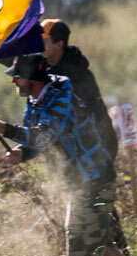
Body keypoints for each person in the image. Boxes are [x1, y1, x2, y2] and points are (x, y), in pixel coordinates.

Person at [0, 53, 137, 256]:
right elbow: (38, 141)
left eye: (17, 75)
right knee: (103, 245)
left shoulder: (61, 97)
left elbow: (46, 132)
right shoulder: (34, 100)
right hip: (81, 180)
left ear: (33, 78)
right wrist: (22, 153)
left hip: (94, 176)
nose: (13, 80)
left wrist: (4, 128)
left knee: (81, 254)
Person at [41, 19, 116, 164]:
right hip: (70, 150)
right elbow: (17, 66)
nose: (38, 44)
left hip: (96, 146)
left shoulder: (79, 74)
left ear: (59, 44)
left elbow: (94, 115)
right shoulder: (42, 69)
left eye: (43, 41)